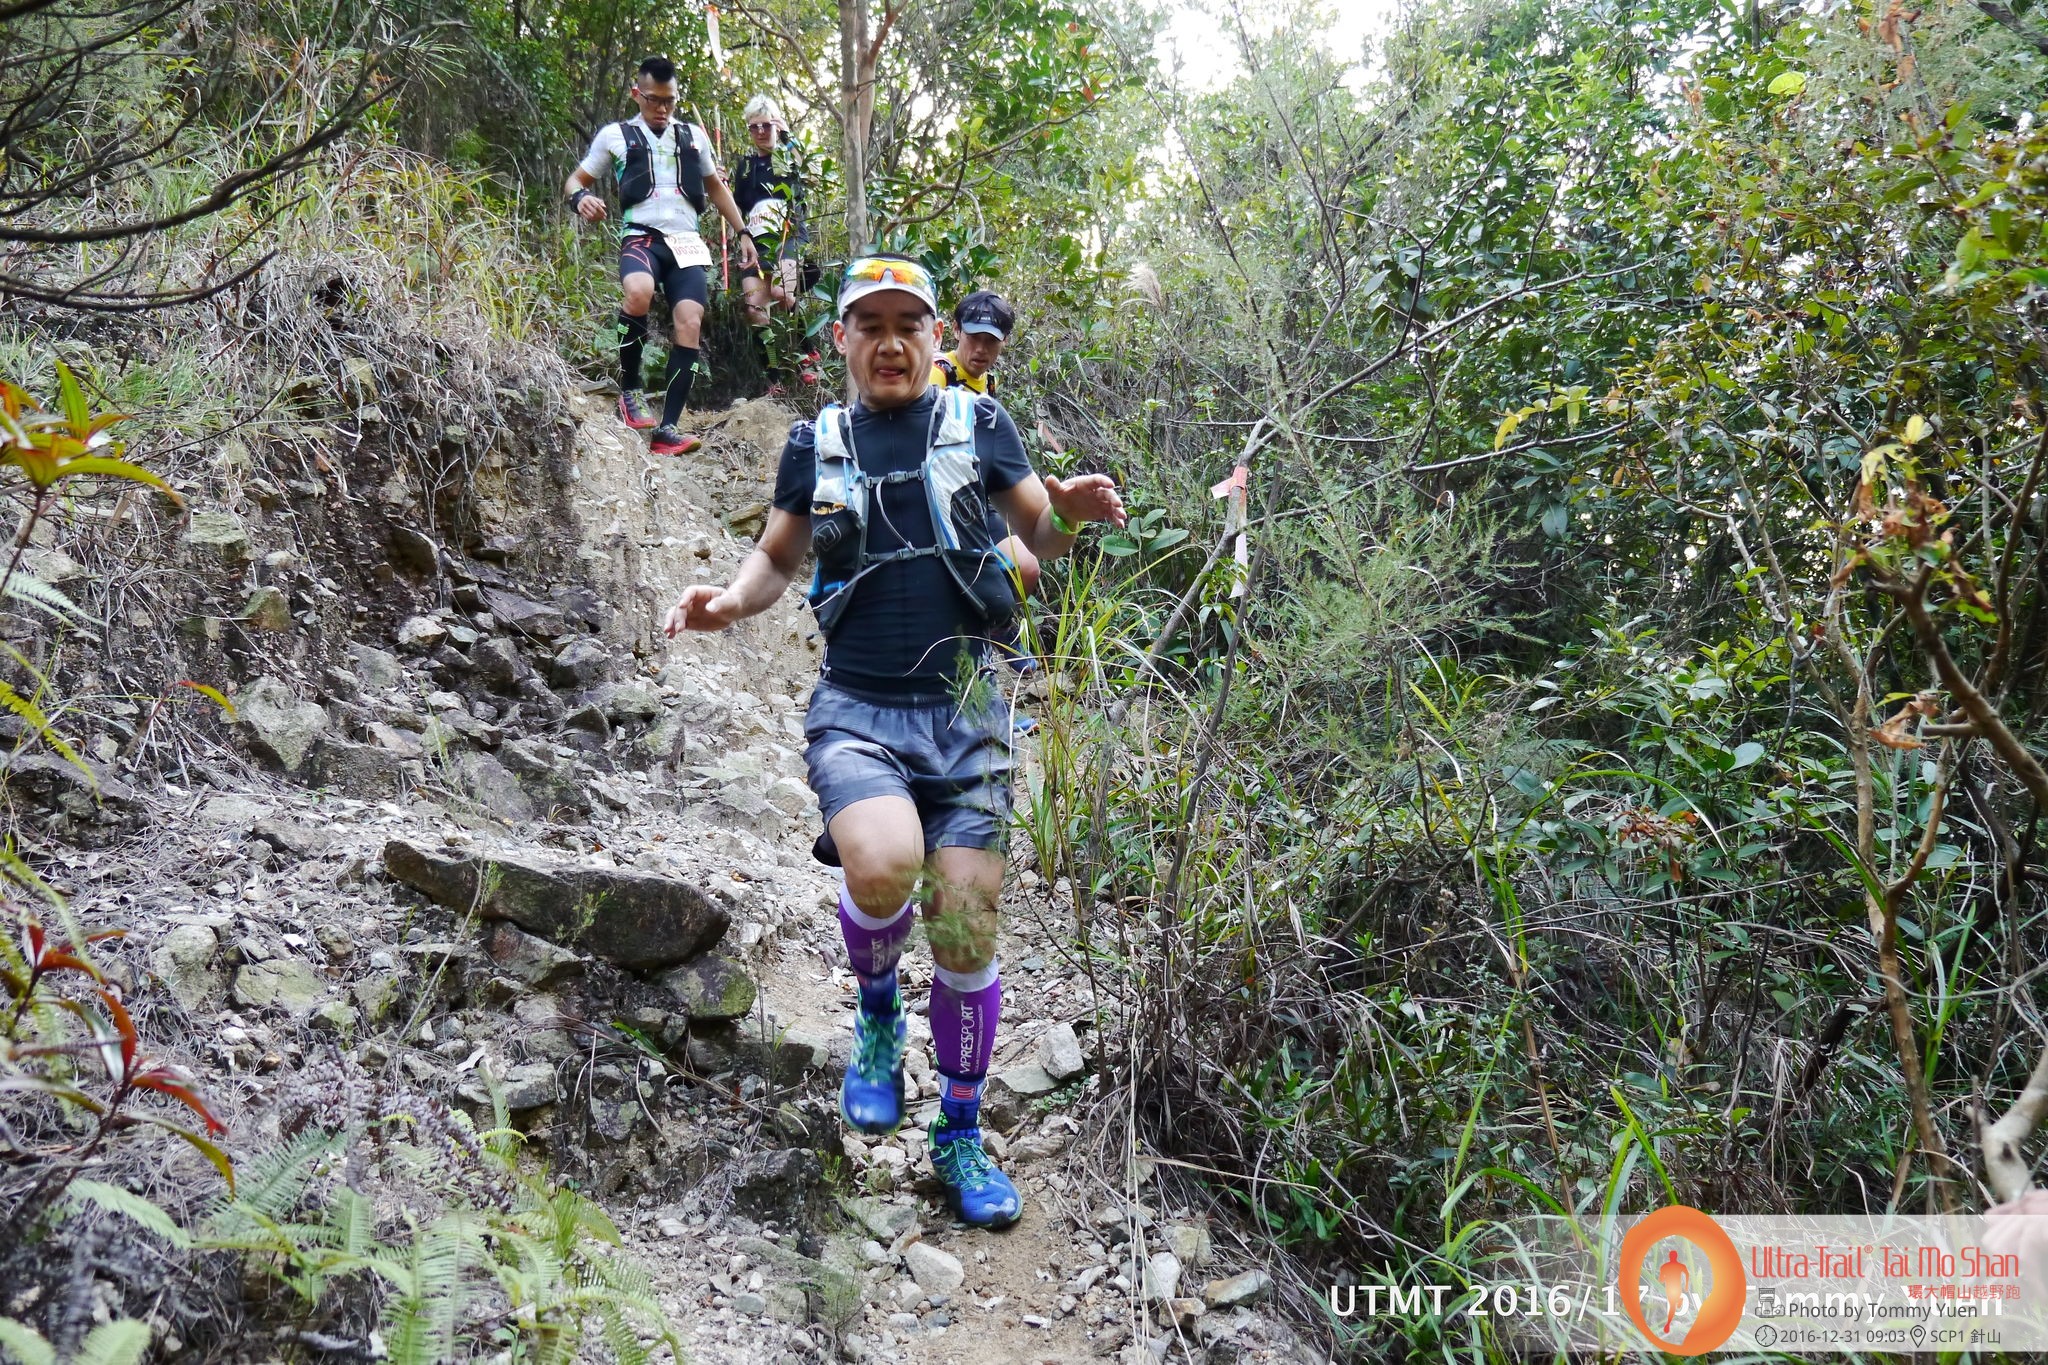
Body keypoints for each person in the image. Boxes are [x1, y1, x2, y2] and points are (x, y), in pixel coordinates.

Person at [664, 253, 1126, 1228]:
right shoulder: (815, 442)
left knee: (963, 927)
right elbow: (776, 557)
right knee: (881, 868)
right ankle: (877, 1013)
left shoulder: (980, 424)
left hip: (968, 715)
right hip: (858, 708)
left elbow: (1036, 540)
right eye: (867, 325)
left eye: (906, 325)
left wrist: (1069, 515)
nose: (888, 343)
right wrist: (728, 603)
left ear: (933, 337)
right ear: (840, 339)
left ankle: (958, 1132)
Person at [566, 56, 758, 457]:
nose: (662, 108)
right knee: (638, 292)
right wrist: (581, 198)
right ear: (637, 94)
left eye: (669, 101)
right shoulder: (616, 135)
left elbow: (716, 188)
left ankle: (668, 428)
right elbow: (575, 180)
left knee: (690, 322)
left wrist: (743, 231)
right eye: (654, 99)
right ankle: (630, 390)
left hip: (686, 243)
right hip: (641, 237)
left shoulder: (693, 136)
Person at [931, 292, 1039, 686]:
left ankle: (994, 625)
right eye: (973, 337)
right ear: (955, 330)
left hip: (976, 498)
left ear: (1003, 341)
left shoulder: (987, 383)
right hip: (937, 500)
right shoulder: (938, 373)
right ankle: (975, 646)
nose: (980, 349)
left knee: (1026, 568)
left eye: (990, 341)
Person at [730, 94, 817, 390]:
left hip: (787, 234)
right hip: (755, 241)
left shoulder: (788, 157)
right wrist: (720, 184)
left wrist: (788, 137)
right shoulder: (745, 166)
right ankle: (773, 379)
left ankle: (808, 354)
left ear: (776, 126)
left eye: (766, 125)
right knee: (754, 309)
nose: (760, 132)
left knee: (782, 292)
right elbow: (735, 205)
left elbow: (809, 174)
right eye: (754, 127)